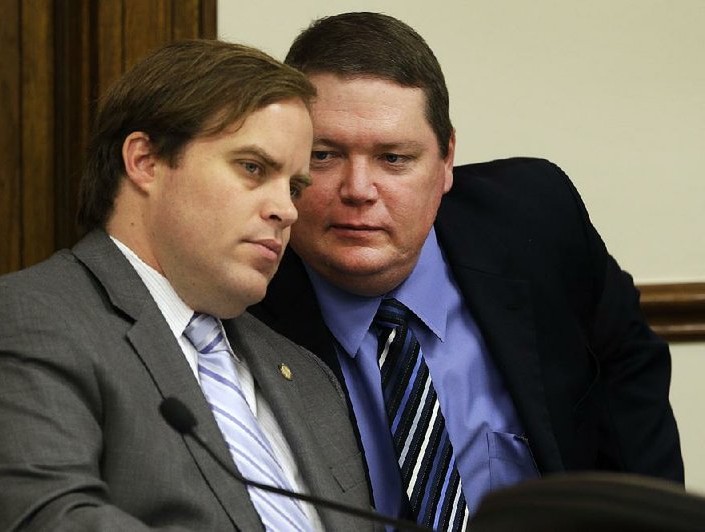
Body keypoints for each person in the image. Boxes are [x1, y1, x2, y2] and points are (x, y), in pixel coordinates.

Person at [250, 11, 684, 531]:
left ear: (446, 158)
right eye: (324, 155)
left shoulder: (535, 221)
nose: (359, 189)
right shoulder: (245, 300)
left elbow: (630, 366)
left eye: (393, 158)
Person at [0, 40, 374, 531]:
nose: (286, 210)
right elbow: (50, 522)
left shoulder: (306, 376)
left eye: (293, 187)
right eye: (253, 168)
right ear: (145, 161)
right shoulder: (22, 324)